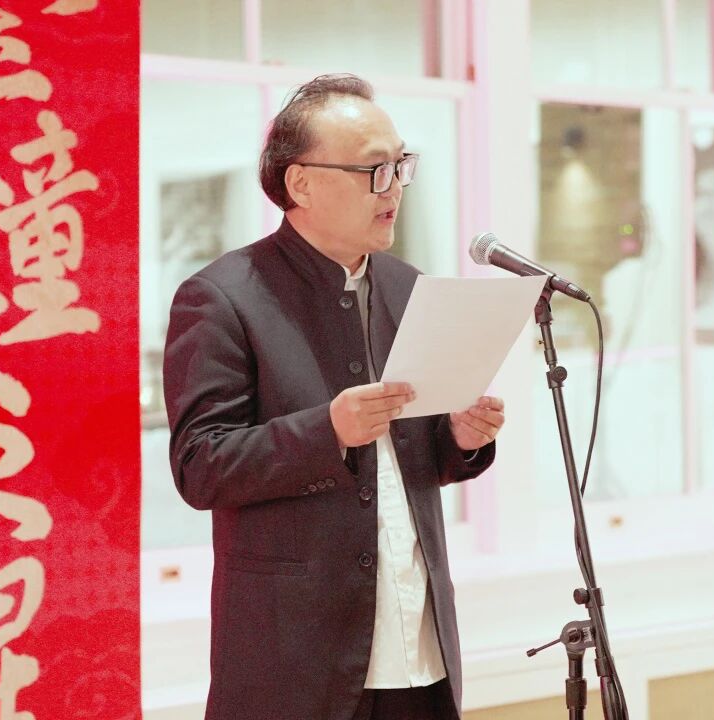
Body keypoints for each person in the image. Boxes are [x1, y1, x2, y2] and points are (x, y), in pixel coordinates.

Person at [164, 73, 506, 720]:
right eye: (375, 170)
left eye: (401, 166)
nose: (395, 187)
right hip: (296, 659)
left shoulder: (408, 287)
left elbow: (411, 461)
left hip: (418, 642)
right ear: (301, 183)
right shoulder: (223, 297)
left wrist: (459, 439)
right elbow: (200, 467)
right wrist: (329, 431)